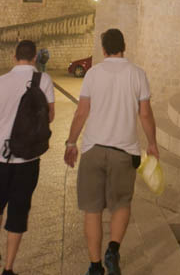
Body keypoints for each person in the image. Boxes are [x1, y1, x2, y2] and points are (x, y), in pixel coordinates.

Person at [64, 28, 159, 275]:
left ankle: (95, 267)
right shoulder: (138, 74)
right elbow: (145, 113)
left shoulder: (93, 74)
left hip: (94, 149)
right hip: (124, 151)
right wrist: (152, 143)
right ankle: (113, 250)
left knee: (92, 209)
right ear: (123, 47)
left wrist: (71, 143)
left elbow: (82, 111)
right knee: (121, 204)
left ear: (104, 49)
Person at [0, 40, 55, 275]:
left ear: (14, 57)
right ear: (35, 58)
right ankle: (8, 267)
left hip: (0, 158)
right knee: (18, 212)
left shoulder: (1, 82)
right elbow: (50, 117)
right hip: (28, 160)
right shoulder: (44, 80)